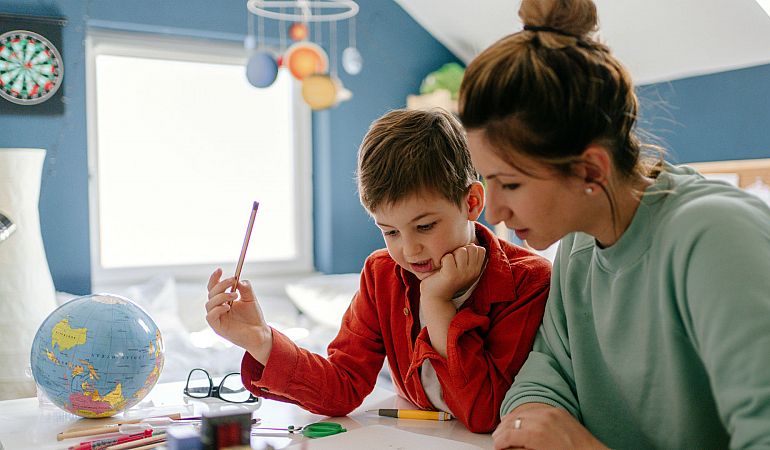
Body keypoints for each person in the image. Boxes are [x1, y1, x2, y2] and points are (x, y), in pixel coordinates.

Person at [458, 0, 770, 448]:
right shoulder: (579, 248)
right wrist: (531, 420)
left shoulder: (717, 239)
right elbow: (544, 377)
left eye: (511, 184)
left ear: (591, 171)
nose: (494, 212)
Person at [204, 109, 551, 433]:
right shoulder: (382, 273)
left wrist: (437, 304)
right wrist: (260, 340)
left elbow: (485, 414)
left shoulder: (529, 281)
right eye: (390, 232)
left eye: (426, 226)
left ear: (472, 202)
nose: (409, 250)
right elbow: (343, 386)